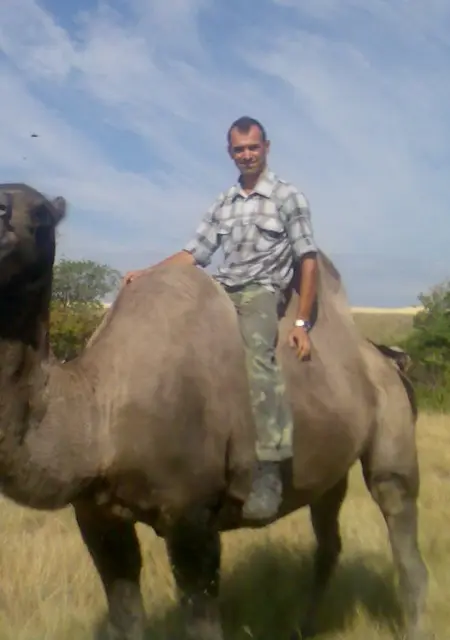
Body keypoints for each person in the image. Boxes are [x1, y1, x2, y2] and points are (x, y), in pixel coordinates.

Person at [124, 116, 318, 520]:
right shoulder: (224, 202)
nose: (246, 155)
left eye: (253, 147)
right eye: (239, 149)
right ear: (230, 152)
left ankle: (269, 470)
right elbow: (193, 254)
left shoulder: (287, 196)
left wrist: (302, 323)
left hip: (261, 292)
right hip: (221, 289)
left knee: (258, 359)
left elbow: (307, 259)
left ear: (266, 147)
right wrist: (148, 274)